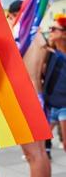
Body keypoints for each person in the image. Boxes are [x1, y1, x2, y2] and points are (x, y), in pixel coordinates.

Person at [7, 0, 51, 177]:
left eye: (10, 16)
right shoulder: (38, 35)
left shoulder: (20, 37)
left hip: (25, 99)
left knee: (32, 155)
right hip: (39, 95)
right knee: (40, 152)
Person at [43, 14, 66, 155]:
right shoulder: (50, 52)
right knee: (41, 142)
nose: (50, 31)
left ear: (64, 33)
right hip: (50, 105)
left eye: (54, 29)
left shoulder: (57, 54)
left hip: (64, 105)